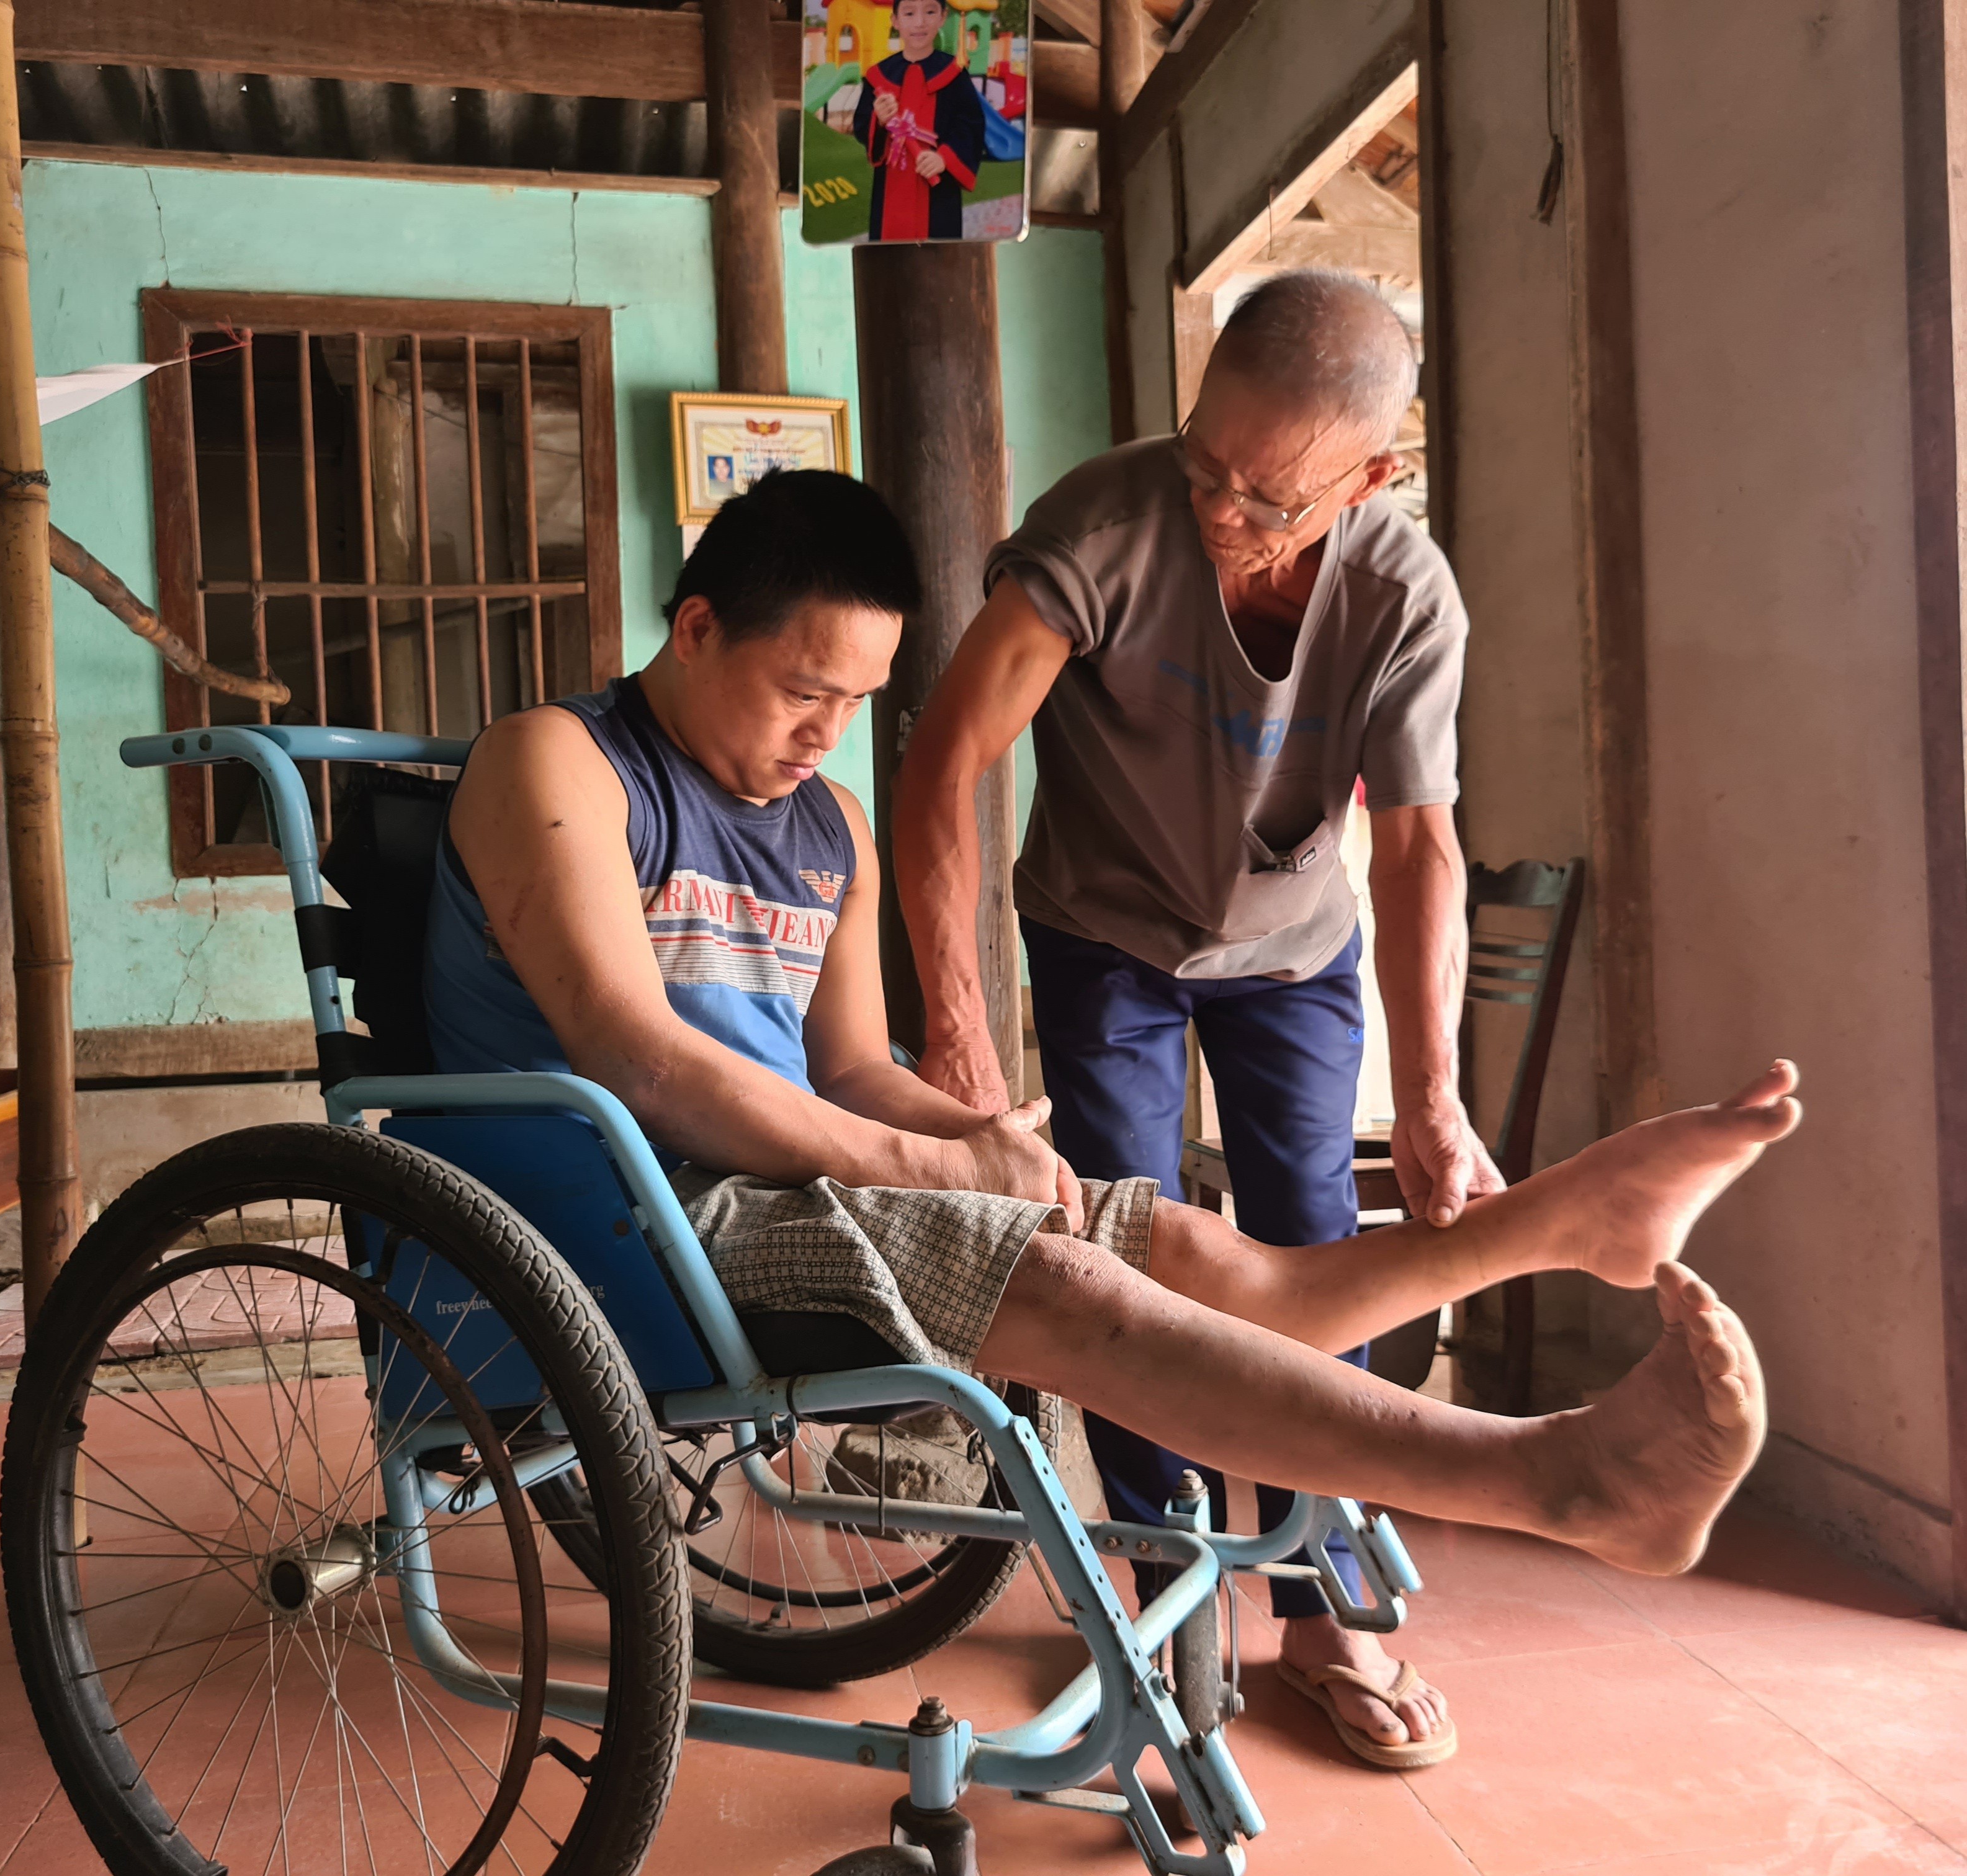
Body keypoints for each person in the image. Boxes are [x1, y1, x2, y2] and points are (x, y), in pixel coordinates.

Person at [427, 471, 1794, 1700]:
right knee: (1069, 1293)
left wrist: (975, 1131)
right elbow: (636, 1054)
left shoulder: (824, 825)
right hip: (613, 1214)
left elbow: (847, 1068)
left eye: (856, 702)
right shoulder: (558, 761)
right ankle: (1550, 1479)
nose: (824, 737)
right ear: (696, 625)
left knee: (1188, 1243)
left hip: (784, 1189)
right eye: (803, 692)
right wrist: (936, 1168)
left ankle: (1554, 1229)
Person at [890, 269, 1487, 1764]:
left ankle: (1327, 1604)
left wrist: (1431, 1098)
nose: (1220, 509)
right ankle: (1160, 1599)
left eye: (1266, 494)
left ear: (1372, 476)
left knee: (1312, 1258)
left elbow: (1416, 846)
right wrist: (962, 1037)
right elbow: (945, 761)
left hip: (1291, 948)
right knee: (1129, 1248)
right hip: (1102, 935)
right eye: (1203, 462)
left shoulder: (1404, 594)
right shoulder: (1101, 529)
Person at [852, 0, 987, 242]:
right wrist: (879, 120)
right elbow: (863, 126)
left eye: (930, 11)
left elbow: (971, 125)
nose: (920, 22)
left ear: (943, 17)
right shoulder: (879, 76)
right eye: (910, 13)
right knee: (889, 254)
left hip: (938, 190)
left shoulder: (954, 74)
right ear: (895, 21)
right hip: (891, 188)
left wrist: (944, 158)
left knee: (940, 255)